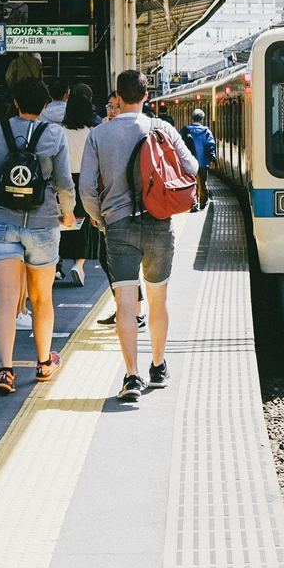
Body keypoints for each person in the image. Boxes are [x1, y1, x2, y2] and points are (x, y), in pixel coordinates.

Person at [81, 70, 197, 401]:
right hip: (159, 223)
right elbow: (191, 168)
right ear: (146, 96)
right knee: (158, 298)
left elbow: (87, 187)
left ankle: (131, 377)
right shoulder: (163, 129)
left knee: (126, 304)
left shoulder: (99, 135)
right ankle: (158, 366)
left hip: (118, 226)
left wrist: (99, 218)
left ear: (117, 96)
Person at [0, 77, 75, 396]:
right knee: (41, 297)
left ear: (17, 102)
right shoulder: (54, 134)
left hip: (2, 221)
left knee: (7, 300)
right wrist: (68, 211)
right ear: (46, 105)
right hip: (43, 223)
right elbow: (64, 182)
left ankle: (5, 371)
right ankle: (43, 362)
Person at [94, 90, 146, 330]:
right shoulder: (100, 133)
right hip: (110, 208)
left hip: (124, 210)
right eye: (109, 106)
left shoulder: (132, 131)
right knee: (114, 263)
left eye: (117, 106)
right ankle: (127, 311)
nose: (112, 110)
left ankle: (133, 313)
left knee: (121, 264)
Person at [57, 84, 100, 287]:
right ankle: (79, 264)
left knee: (63, 224)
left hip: (63, 182)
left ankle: (58, 260)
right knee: (84, 226)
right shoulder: (92, 134)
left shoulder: (59, 133)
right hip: (85, 181)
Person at [182, 108, 217, 211]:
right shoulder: (206, 131)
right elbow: (210, 145)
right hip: (202, 162)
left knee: (191, 183)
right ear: (202, 119)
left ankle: (193, 204)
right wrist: (212, 160)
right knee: (203, 183)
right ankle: (202, 202)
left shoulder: (185, 130)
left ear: (192, 118)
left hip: (188, 162)